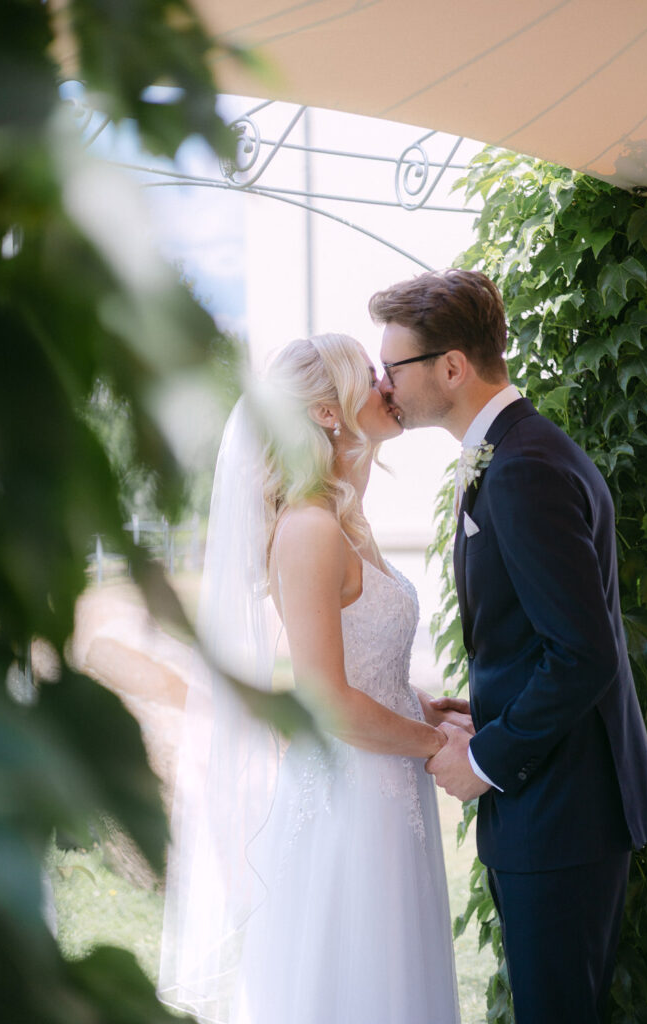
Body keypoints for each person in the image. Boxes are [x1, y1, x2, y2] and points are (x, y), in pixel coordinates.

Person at [369, 269, 647, 1024]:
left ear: (449, 366)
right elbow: (548, 636)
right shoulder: (519, 451)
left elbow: (582, 653)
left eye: (393, 368)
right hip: (560, 801)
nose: (384, 386)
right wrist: (488, 708)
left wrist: (481, 758)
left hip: (560, 811)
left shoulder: (523, 467)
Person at [159, 334, 461, 1024]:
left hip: (389, 794)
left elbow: (360, 664)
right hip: (350, 802)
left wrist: (423, 707)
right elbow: (325, 699)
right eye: (370, 373)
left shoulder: (347, 521)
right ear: (328, 413)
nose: (389, 383)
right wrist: (436, 746)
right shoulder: (309, 530)